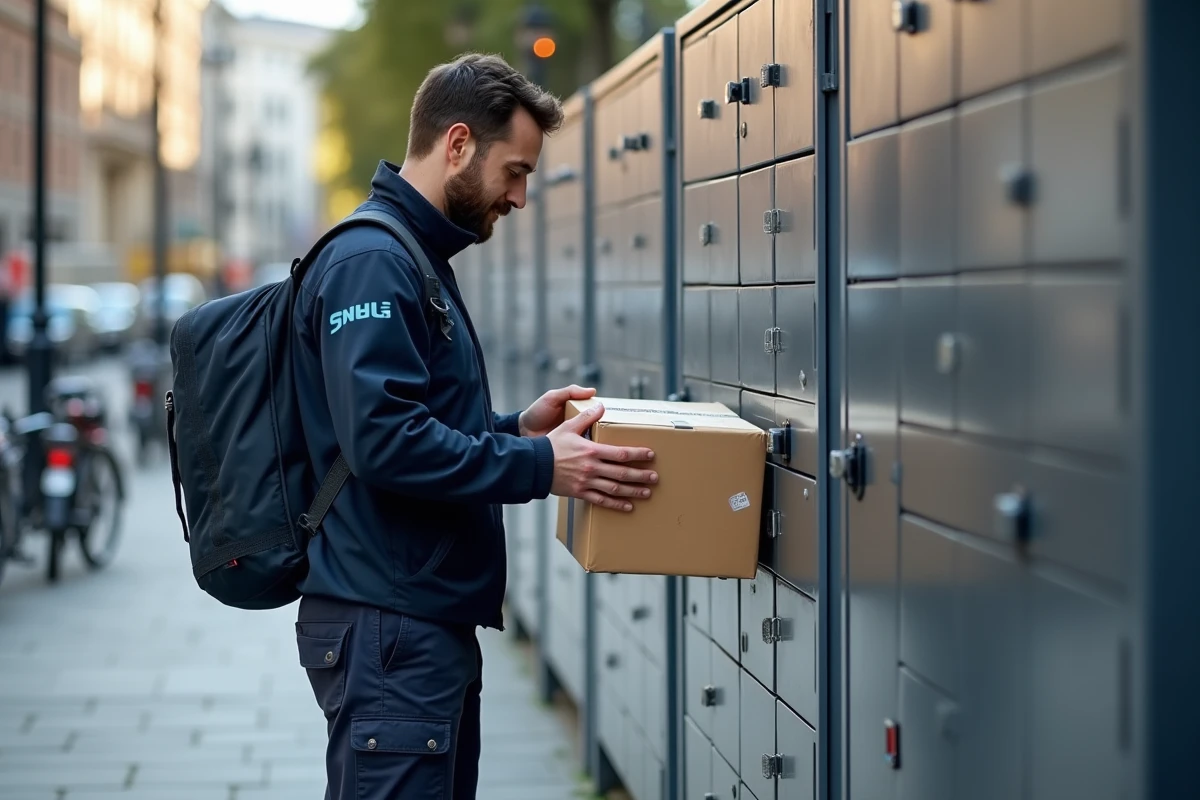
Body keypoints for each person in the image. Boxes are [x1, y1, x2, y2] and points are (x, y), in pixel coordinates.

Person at [290, 53, 658, 799]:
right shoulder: (373, 261)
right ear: (457, 144)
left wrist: (517, 430)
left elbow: (413, 421)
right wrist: (541, 467)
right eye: (514, 172)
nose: (520, 197)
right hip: (390, 626)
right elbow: (383, 441)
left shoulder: (409, 253)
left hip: (412, 622)